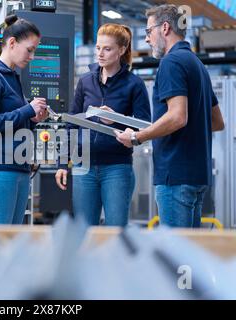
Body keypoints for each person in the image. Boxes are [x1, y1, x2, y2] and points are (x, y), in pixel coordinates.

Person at [115, 5, 225, 228]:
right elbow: (216, 122)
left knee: (174, 256)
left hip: (175, 175)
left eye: (148, 31)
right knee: (187, 255)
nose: (147, 39)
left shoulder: (171, 63)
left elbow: (177, 117)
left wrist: (138, 137)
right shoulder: (197, 64)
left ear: (164, 28)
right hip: (197, 175)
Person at [55, 24, 151, 226]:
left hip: (117, 168)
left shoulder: (134, 84)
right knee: (84, 231)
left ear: (122, 50)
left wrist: (115, 119)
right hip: (84, 166)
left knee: (115, 233)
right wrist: (63, 163)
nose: (100, 53)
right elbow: (72, 122)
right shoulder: (85, 82)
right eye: (98, 48)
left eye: (107, 49)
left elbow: (144, 128)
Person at [0, 15, 48, 224]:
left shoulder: (13, 77)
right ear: (12, 43)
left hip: (18, 168)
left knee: (13, 240)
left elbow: (14, 124)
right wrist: (27, 110)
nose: (32, 56)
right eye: (30, 49)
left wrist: (32, 119)